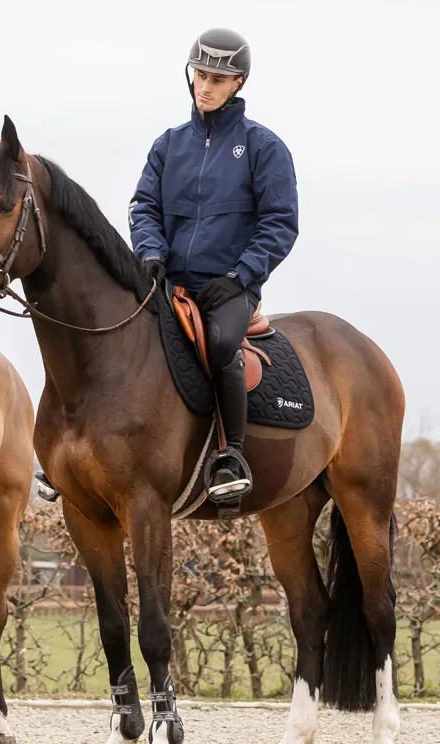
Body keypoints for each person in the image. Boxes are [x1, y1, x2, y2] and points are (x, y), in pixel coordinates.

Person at [129, 28, 299, 501]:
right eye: (200, 75)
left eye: (217, 79)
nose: (205, 86)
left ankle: (231, 455)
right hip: (169, 281)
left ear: (238, 83)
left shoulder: (264, 147)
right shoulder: (168, 145)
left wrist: (241, 275)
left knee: (222, 343)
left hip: (230, 287)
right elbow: (143, 207)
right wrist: (150, 252)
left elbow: (280, 222)